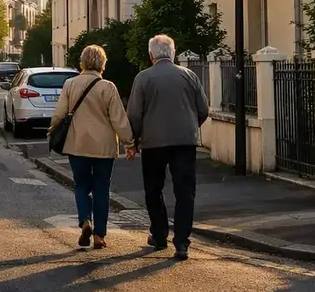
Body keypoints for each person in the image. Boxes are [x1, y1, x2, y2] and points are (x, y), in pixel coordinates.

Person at [126, 34, 209, 260]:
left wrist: (134, 140)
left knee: (154, 189)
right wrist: (190, 126)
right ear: (173, 53)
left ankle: (159, 234)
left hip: (153, 142)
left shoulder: (143, 78)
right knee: (185, 192)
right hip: (185, 142)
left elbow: (134, 114)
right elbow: (203, 109)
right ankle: (182, 242)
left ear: (151, 55)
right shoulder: (189, 75)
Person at [48, 45, 134, 250]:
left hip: (77, 144)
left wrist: (52, 132)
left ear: (82, 62)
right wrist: (130, 143)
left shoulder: (70, 84)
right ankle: (99, 235)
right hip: (103, 147)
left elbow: (60, 114)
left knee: (81, 185)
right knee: (101, 188)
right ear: (103, 63)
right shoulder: (108, 87)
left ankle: (85, 220)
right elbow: (119, 119)